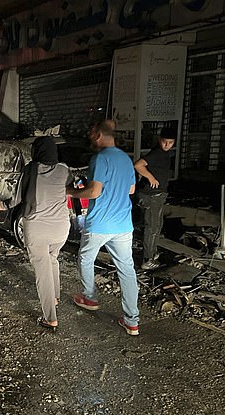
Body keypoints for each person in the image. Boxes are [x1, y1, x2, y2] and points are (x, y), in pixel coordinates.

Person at [67, 120, 140, 336]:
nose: (89, 137)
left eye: (91, 133)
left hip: (100, 223)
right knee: (127, 270)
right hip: (123, 224)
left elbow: (93, 192)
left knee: (86, 259)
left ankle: (89, 297)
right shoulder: (126, 159)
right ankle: (132, 321)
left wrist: (70, 192)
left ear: (99, 135)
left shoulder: (99, 158)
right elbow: (131, 189)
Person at [0, 137, 71, 332]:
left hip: (38, 228)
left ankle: (50, 318)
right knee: (53, 258)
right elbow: (68, 188)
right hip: (61, 228)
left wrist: (3, 205)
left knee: (42, 271)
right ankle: (54, 297)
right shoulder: (64, 169)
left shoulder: (31, 169)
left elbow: (18, 197)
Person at [134, 127, 176, 270]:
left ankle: (152, 252)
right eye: (165, 142)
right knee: (152, 226)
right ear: (160, 141)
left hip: (157, 195)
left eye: (170, 143)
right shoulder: (157, 153)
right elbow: (138, 165)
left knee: (156, 225)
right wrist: (150, 177)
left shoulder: (164, 154)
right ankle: (148, 259)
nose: (167, 145)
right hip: (152, 196)